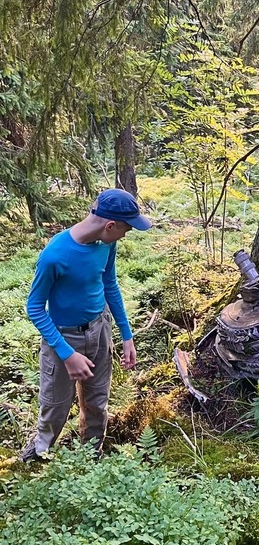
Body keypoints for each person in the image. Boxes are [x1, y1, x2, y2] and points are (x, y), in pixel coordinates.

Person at [22, 189, 152, 462]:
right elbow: (34, 307)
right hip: (62, 338)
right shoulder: (55, 255)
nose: (126, 234)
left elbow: (109, 285)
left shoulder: (107, 243)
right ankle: (38, 457)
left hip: (99, 329)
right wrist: (67, 354)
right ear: (110, 225)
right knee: (55, 406)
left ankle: (91, 458)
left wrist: (126, 335)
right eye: (127, 228)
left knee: (96, 404)